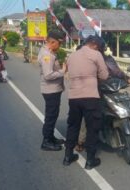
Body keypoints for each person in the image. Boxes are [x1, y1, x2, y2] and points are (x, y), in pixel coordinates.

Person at [63, 35, 109, 169]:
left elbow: (69, 73)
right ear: (95, 44)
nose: (100, 50)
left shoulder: (72, 56)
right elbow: (104, 75)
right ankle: (90, 161)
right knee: (92, 129)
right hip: (90, 97)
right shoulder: (95, 55)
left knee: (73, 126)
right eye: (100, 48)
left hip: (74, 97)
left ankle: (67, 156)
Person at [38, 30, 66, 151]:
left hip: (53, 89)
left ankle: (50, 137)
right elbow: (48, 75)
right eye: (59, 44)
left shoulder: (48, 51)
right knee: (51, 116)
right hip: (51, 90)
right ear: (53, 42)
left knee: (53, 115)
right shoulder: (47, 55)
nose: (60, 47)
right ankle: (46, 141)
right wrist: (63, 71)